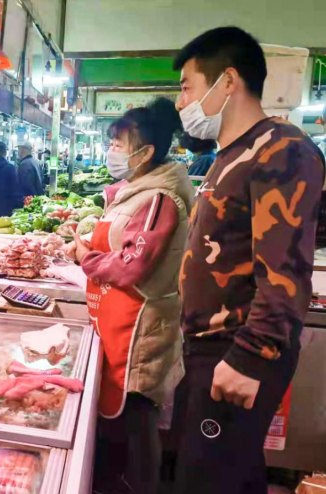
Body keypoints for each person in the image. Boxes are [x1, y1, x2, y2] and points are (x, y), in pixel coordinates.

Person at [173, 27, 325, 494]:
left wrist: (249, 356)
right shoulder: (230, 154)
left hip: (236, 348)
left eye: (186, 87)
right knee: (227, 474)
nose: (181, 103)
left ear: (228, 81)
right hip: (209, 346)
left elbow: (286, 269)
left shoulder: (281, 149)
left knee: (208, 481)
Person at [67, 97, 192, 494]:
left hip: (140, 329)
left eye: (119, 144)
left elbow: (133, 264)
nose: (112, 151)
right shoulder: (137, 190)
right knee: (118, 423)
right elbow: (122, 244)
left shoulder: (160, 198)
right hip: (118, 321)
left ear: (147, 151)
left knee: (136, 423)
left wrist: (88, 257)